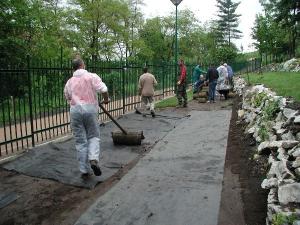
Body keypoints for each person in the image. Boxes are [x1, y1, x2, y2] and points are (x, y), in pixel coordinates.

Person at [64, 58, 109, 179]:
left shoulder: (69, 81)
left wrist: (77, 99)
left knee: (80, 140)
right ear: (82, 65)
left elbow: (67, 96)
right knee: (93, 136)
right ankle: (93, 159)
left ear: (73, 68)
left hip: (75, 111)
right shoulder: (91, 76)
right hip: (90, 110)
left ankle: (84, 169)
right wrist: (106, 99)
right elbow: (103, 89)